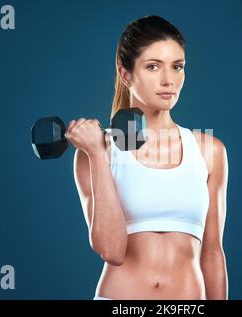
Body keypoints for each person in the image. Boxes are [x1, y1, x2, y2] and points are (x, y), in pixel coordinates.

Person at [65, 15, 229, 300]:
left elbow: (213, 253)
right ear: (126, 74)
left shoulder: (209, 150)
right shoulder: (95, 150)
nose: (169, 80)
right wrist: (95, 154)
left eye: (177, 67)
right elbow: (112, 250)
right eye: (153, 67)